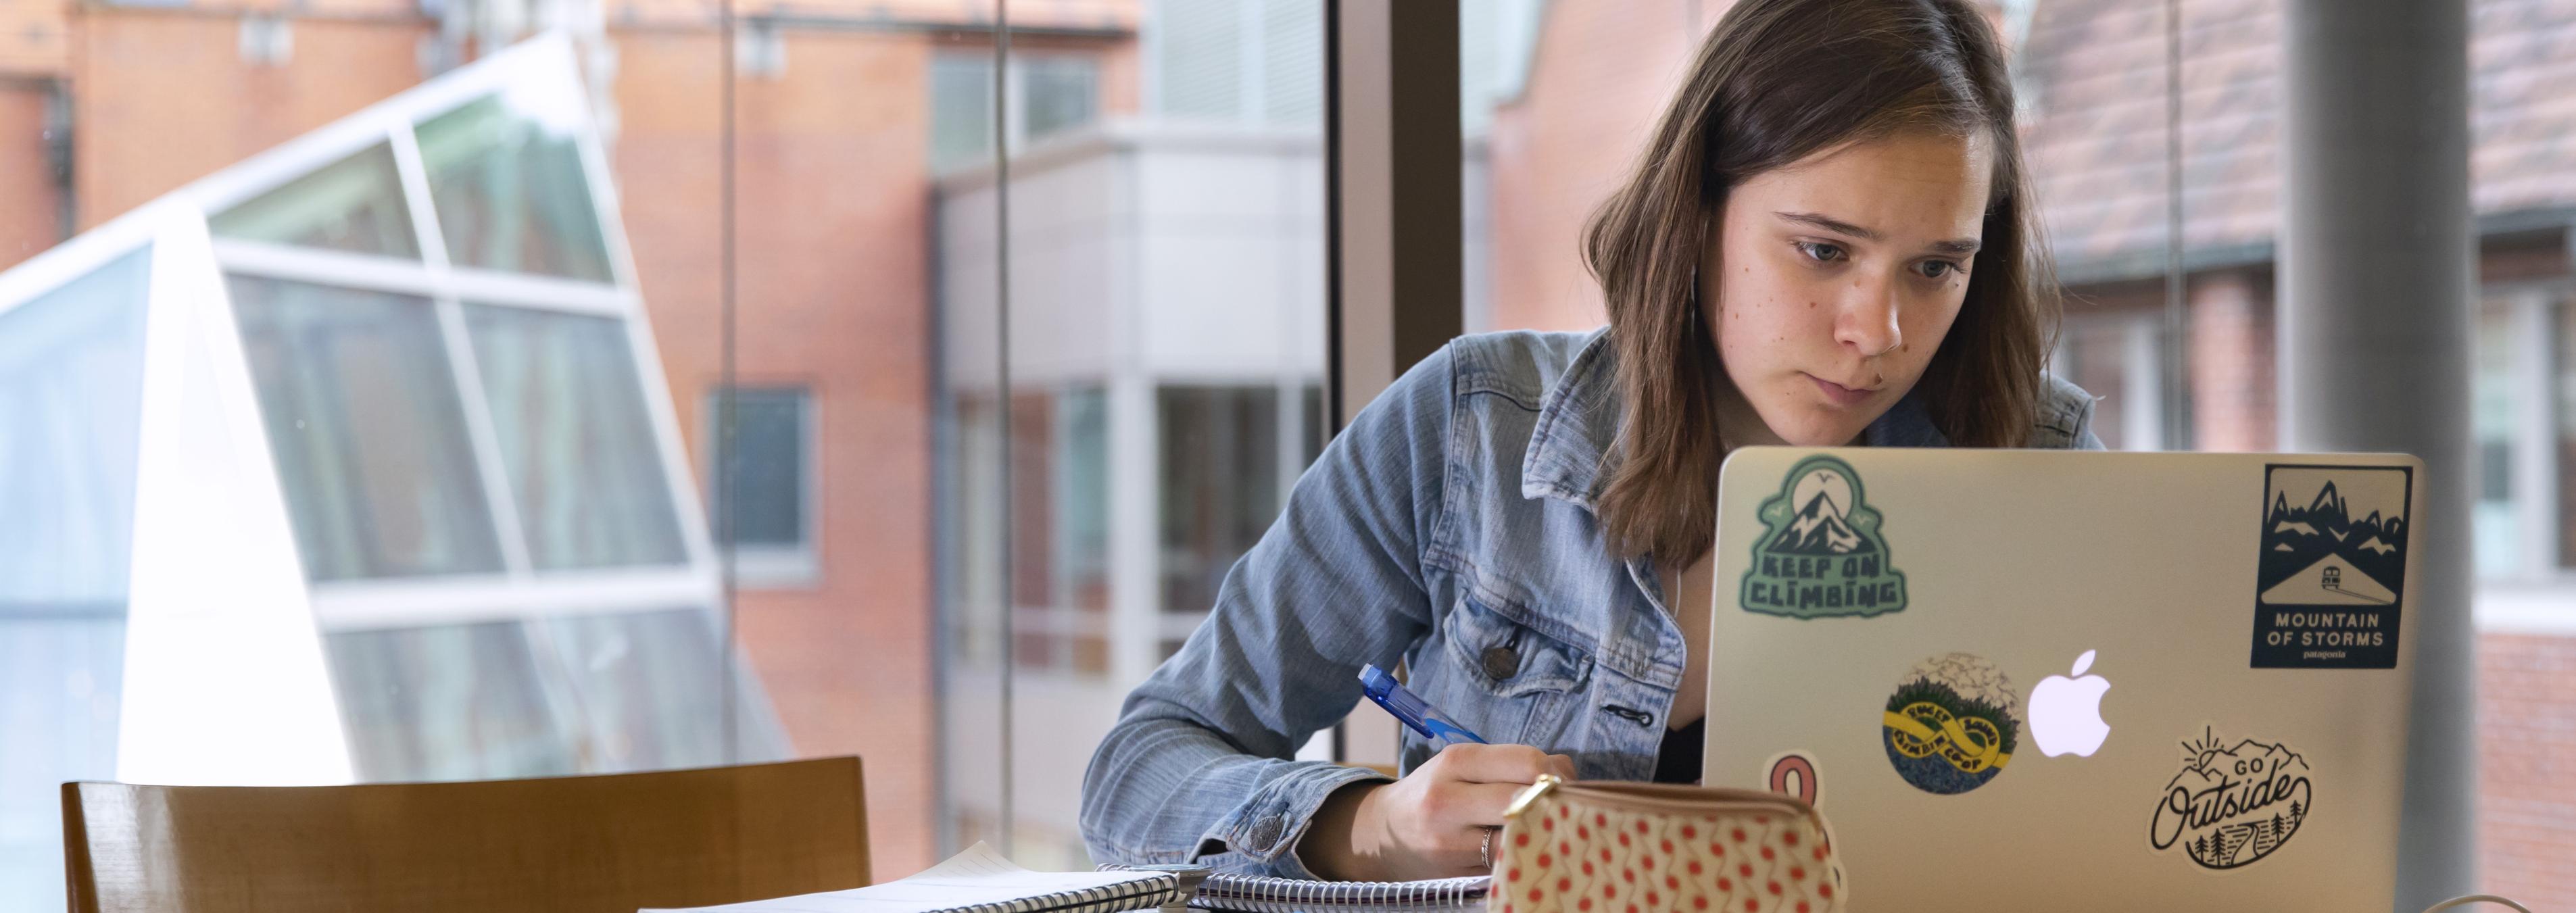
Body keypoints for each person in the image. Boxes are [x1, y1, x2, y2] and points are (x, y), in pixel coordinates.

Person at [1080, 0, 2102, 885]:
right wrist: (1372, 826)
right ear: (1695, 215)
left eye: (1935, 269)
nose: (1876, 333)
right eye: (1824, 251)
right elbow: (1136, 772)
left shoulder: (2033, 464)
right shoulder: (1470, 431)